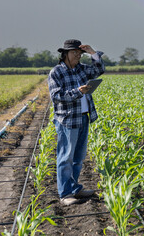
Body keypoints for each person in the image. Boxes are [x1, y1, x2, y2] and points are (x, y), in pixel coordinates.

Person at [48, 39, 105, 205]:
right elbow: (57, 96)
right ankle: (65, 194)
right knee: (65, 157)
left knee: (78, 157)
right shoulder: (56, 72)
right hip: (67, 120)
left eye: (80, 53)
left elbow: (99, 70)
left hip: (83, 116)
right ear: (65, 54)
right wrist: (78, 92)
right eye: (75, 53)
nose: (78, 56)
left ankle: (75, 189)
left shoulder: (82, 69)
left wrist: (93, 53)